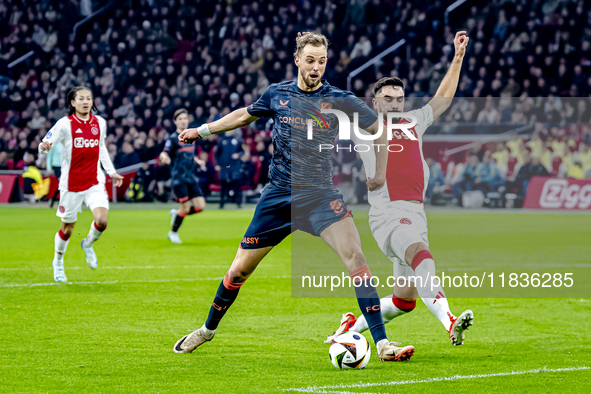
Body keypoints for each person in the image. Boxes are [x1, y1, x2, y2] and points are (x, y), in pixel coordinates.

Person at [173, 32, 413, 362]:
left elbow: (381, 132)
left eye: (322, 61)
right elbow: (243, 115)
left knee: (356, 260)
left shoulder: (339, 99)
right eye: (311, 60)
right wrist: (200, 131)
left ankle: (384, 344)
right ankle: (207, 330)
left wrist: (379, 175)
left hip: (320, 196)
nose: (316, 67)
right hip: (278, 197)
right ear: (298, 60)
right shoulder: (277, 94)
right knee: (238, 272)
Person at [327, 32, 474, 348]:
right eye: (388, 98)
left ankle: (348, 328)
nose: (395, 103)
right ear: (375, 101)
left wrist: (458, 57)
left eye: (399, 97)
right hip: (388, 213)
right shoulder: (363, 126)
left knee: (404, 299)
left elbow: (443, 99)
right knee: (422, 255)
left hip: (415, 212)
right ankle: (450, 322)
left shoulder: (413, 120)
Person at [38, 86, 123, 282]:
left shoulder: (100, 123)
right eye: (81, 99)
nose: (86, 102)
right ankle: (58, 263)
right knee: (67, 229)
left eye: (89, 98)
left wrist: (111, 172)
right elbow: (45, 144)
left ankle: (88, 243)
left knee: (102, 220)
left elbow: (101, 148)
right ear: (73, 103)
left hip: (94, 181)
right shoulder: (64, 124)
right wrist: (43, 148)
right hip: (71, 185)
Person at [159, 108, 206, 244]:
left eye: (185, 118)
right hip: (179, 178)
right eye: (180, 119)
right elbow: (164, 152)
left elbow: (188, 154)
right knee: (185, 208)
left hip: (190, 177)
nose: (183, 121)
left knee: (200, 206)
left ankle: (177, 213)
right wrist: (164, 157)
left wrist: (198, 161)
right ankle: (173, 232)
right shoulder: (173, 138)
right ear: (175, 121)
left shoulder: (191, 135)